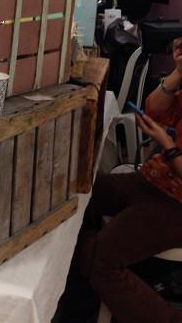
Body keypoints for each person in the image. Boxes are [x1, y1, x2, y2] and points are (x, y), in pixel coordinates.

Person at [76, 37, 182, 323]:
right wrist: (177, 73)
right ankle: (82, 276)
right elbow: (155, 110)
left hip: (176, 204)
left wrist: (168, 146)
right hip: (153, 181)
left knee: (98, 260)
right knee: (79, 197)